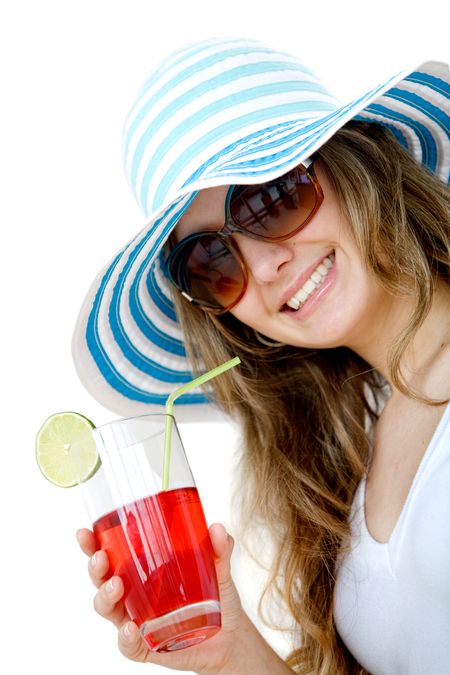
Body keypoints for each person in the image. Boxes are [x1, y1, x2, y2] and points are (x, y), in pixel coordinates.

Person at [73, 38, 450, 674]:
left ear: (355, 166)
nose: (267, 266)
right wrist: (231, 654)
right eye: (212, 260)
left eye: (270, 197)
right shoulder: (354, 468)